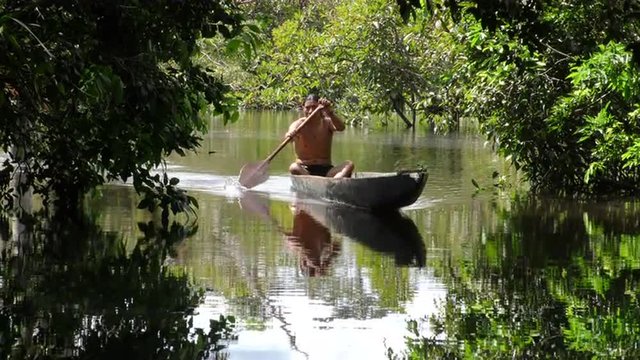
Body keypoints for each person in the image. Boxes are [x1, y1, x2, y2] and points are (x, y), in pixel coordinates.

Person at [286, 94, 354, 178]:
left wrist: (330, 112)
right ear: (303, 108)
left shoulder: (328, 122)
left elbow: (341, 128)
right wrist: (291, 134)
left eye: (314, 107)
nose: (310, 111)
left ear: (320, 108)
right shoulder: (298, 124)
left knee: (349, 164)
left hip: (326, 170)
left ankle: (334, 183)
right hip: (304, 170)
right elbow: (289, 134)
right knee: (294, 167)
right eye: (307, 108)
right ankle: (319, 183)